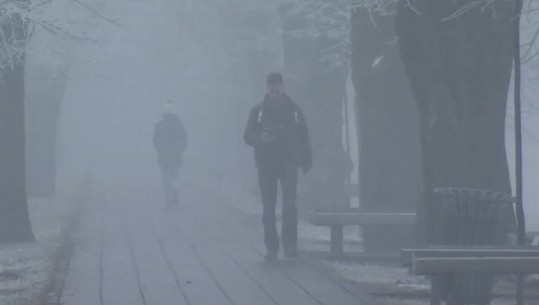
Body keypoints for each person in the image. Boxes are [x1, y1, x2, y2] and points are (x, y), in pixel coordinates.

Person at [244, 72, 312, 259]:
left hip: (289, 163)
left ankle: (290, 245)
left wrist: (306, 160)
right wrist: (261, 138)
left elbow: (303, 136)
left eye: (277, 89)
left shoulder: (295, 111)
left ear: (283, 88)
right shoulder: (258, 112)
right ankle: (271, 247)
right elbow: (247, 136)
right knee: (268, 206)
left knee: (290, 205)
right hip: (266, 164)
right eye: (272, 90)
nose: (274, 93)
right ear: (267, 89)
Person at [153, 106, 187, 207]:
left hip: (164, 156)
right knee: (174, 176)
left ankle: (168, 199)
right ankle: (174, 194)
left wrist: (160, 151)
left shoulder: (161, 126)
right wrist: (180, 150)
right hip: (175, 156)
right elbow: (184, 140)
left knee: (166, 178)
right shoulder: (179, 125)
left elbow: (155, 141)